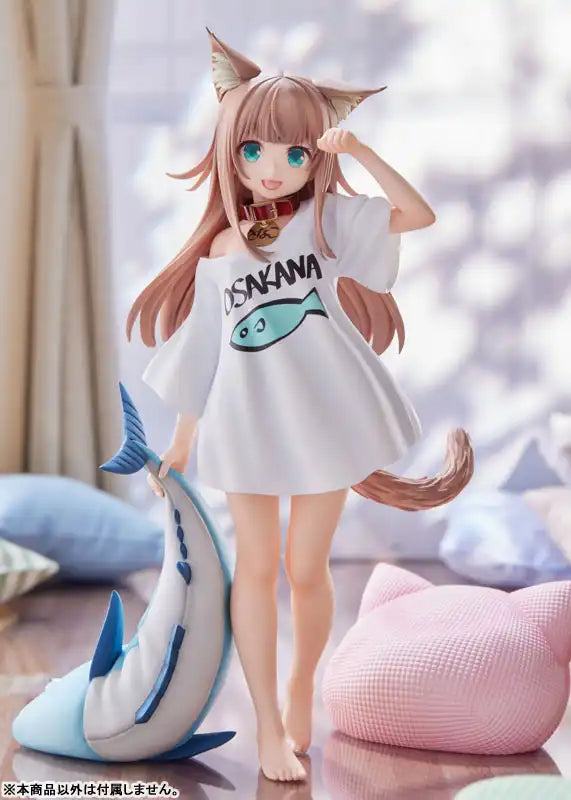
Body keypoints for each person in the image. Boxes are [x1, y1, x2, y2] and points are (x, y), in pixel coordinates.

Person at [127, 30, 474, 783]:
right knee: (255, 570)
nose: (272, 167)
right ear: (230, 152)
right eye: (254, 150)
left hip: (321, 417)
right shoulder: (223, 252)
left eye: (294, 152)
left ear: (316, 155)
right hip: (245, 423)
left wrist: (360, 153)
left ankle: (298, 692)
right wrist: (180, 444)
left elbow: (416, 215)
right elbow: (204, 351)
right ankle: (267, 725)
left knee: (305, 568)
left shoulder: (327, 221)